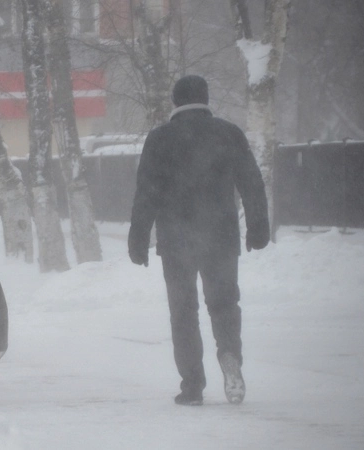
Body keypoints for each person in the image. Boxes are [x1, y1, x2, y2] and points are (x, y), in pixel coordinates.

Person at [128, 75, 270, 406]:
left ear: (175, 102)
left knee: (183, 311)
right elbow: (252, 182)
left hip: (176, 240)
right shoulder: (228, 133)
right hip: (220, 236)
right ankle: (230, 354)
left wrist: (138, 237)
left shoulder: (160, 138)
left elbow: (146, 192)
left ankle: (192, 385)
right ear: (206, 99)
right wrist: (258, 226)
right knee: (223, 304)